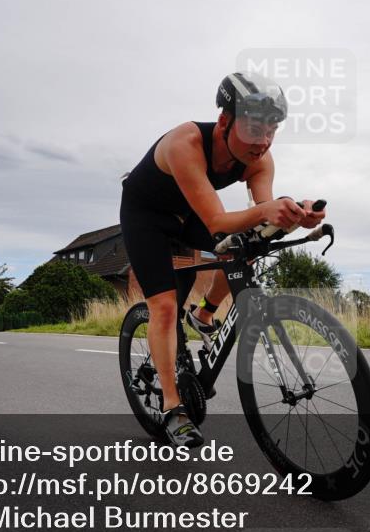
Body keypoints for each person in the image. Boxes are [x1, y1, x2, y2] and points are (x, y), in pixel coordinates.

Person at [120, 72, 326, 447]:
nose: (263, 142)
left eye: (272, 131)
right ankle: (172, 409)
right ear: (224, 121)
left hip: (187, 214)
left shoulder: (259, 160)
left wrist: (296, 214)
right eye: (254, 130)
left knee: (246, 245)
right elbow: (216, 221)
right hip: (146, 216)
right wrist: (269, 211)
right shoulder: (185, 143)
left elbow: (263, 217)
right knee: (164, 307)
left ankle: (204, 314)